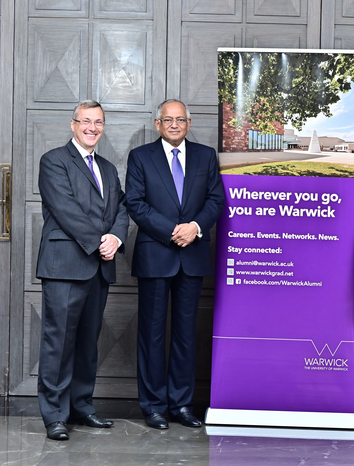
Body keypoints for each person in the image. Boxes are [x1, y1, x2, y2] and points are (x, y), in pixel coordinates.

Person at [125, 99, 225, 429]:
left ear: (189, 122)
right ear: (157, 124)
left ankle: (181, 405)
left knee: (185, 335)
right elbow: (136, 204)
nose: (173, 125)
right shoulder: (140, 157)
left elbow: (215, 200)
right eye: (167, 120)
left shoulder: (206, 156)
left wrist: (194, 228)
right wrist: (172, 232)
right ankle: (153, 406)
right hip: (156, 254)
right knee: (152, 335)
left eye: (179, 119)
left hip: (193, 256)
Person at [36, 100, 129, 440]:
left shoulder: (107, 167)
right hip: (65, 265)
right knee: (58, 342)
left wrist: (116, 238)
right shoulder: (54, 161)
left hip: (98, 266)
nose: (92, 127)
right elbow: (65, 209)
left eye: (98, 122)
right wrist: (99, 241)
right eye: (86, 121)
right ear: (73, 124)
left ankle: (82, 407)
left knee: (88, 342)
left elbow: (120, 207)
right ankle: (55, 415)